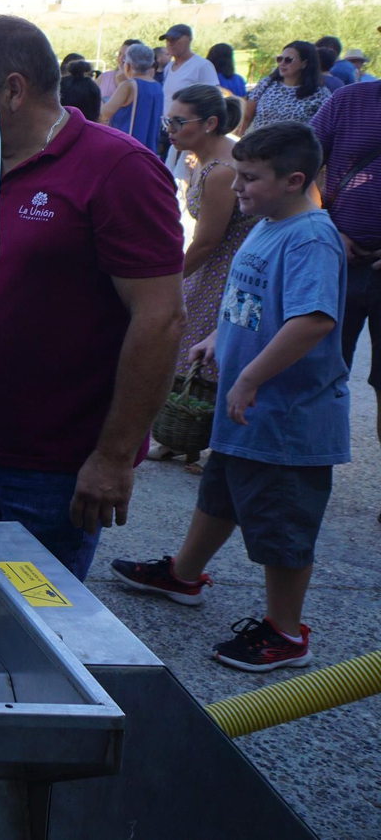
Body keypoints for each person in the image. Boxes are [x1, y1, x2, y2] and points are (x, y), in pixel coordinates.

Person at [0, 16, 184, 581]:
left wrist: (114, 456)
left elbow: (161, 319)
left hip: (61, 466)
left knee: (42, 615)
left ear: (14, 90)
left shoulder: (116, 169)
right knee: (7, 599)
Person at [112, 122, 347, 672]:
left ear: (293, 180)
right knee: (221, 495)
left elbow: (312, 320)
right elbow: (258, 301)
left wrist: (250, 378)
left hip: (287, 419)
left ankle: (286, 634)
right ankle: (184, 574)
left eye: (249, 178)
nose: (235, 186)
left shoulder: (310, 236)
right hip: (250, 413)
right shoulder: (267, 223)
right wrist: (218, 338)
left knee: (282, 523)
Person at [147, 85, 257, 470]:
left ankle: (214, 442)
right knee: (193, 352)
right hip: (214, 268)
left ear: (210, 124)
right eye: (168, 120)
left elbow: (208, 241)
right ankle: (187, 441)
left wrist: (169, 278)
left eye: (179, 122)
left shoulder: (219, 170)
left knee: (209, 354)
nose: (170, 130)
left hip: (225, 272)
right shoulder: (204, 159)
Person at [310, 75, 381, 490]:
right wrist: (327, 226)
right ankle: (304, 475)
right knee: (317, 371)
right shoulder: (347, 101)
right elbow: (300, 164)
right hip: (339, 259)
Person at [243, 41, 331, 133]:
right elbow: (247, 117)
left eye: (288, 60)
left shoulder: (319, 94)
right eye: (279, 59)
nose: (282, 63)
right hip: (258, 144)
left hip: (294, 146)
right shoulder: (266, 84)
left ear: (304, 63)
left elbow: (324, 129)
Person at [100, 42, 164, 154]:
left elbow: (104, 113)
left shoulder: (129, 85)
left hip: (128, 149)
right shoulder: (157, 86)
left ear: (128, 66)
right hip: (149, 149)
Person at [158, 24, 220, 110]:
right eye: (167, 40)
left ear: (189, 39)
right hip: (168, 122)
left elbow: (213, 99)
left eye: (175, 39)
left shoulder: (202, 66)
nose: (170, 44)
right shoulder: (169, 67)